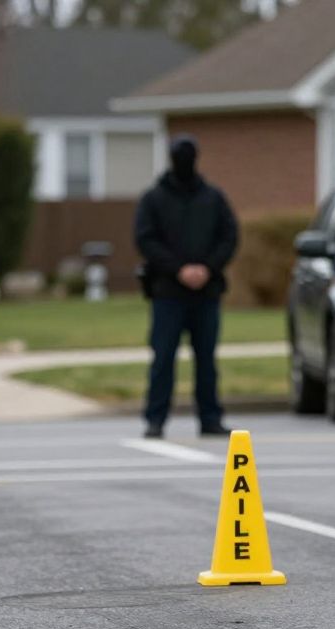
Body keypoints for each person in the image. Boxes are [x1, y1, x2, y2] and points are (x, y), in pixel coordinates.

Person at [135, 134, 238, 439]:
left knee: (206, 359)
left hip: (206, 293)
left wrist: (207, 268)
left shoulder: (213, 198)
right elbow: (145, 239)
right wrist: (178, 269)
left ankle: (210, 417)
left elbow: (229, 237)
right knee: (163, 357)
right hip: (168, 293)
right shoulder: (154, 198)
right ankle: (155, 419)